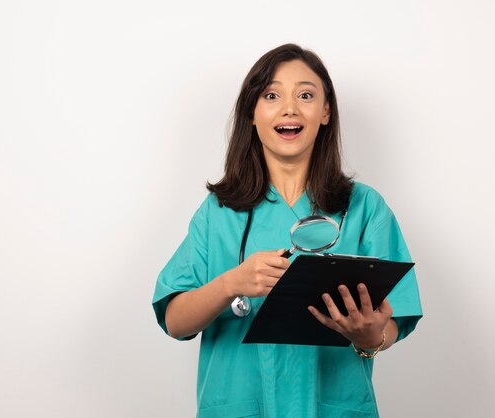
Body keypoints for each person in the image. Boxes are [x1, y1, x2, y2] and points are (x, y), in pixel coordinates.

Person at [152, 43, 422, 417]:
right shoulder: (219, 213)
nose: (290, 108)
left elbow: (393, 322)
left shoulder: (364, 208)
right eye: (272, 95)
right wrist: (232, 283)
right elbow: (174, 320)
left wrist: (369, 336)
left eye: (306, 95)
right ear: (252, 112)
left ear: (325, 112)